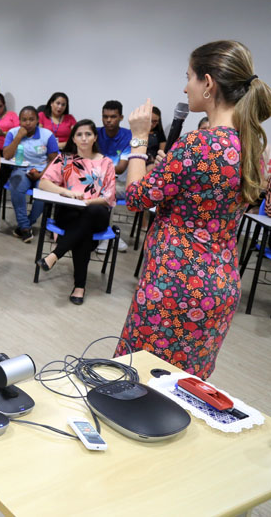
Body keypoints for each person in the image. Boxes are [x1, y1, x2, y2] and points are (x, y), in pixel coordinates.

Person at [116, 40, 271, 378]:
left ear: (208, 83)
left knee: (137, 381)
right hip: (219, 287)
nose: (185, 87)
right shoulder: (254, 150)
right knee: (184, 388)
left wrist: (140, 138)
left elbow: (138, 197)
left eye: (189, 77)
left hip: (175, 283)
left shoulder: (198, 144)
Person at [35, 120, 117, 304]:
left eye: (88, 134)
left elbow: (109, 197)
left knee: (90, 213)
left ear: (95, 137)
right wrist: (67, 192)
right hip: (70, 212)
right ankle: (79, 286)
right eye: (79, 134)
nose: (84, 138)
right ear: (73, 138)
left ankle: (55, 254)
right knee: (83, 233)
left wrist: (87, 202)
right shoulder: (65, 159)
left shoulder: (106, 163)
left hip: (97, 212)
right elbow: (44, 182)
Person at [3, 105, 60, 242]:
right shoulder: (13, 132)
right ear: (19, 121)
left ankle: (26, 224)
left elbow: (54, 160)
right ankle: (24, 227)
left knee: (44, 192)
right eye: (24, 120)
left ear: (37, 121)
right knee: (16, 185)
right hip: (20, 169)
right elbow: (6, 155)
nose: (27, 123)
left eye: (31, 119)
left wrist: (40, 175)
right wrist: (18, 137)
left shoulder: (47, 135)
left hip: (42, 170)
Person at [96, 100, 132, 253]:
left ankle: (104, 236)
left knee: (106, 192)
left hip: (120, 184)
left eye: (113, 116)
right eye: (105, 116)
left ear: (121, 117)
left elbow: (121, 168)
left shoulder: (127, 135)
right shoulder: (96, 133)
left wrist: (100, 168)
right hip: (96, 181)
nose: (108, 120)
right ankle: (104, 234)